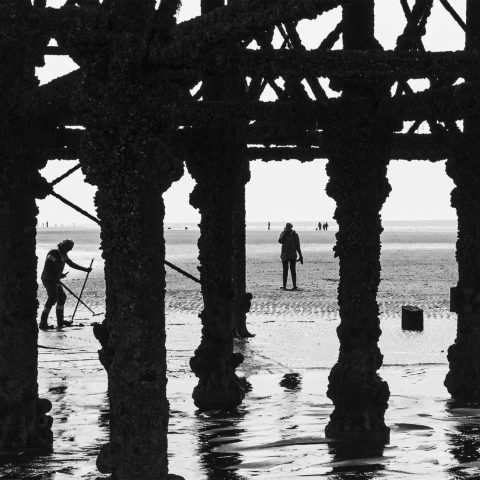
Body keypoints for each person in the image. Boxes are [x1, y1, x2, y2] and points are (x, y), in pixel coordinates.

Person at [39, 239, 92, 330]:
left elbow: (71, 264)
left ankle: (60, 321)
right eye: (69, 248)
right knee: (52, 298)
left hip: (55, 279)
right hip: (48, 279)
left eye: (71, 248)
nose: (70, 250)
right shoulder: (54, 253)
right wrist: (56, 275)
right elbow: (48, 266)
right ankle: (43, 322)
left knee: (62, 297)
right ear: (64, 246)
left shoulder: (63, 255)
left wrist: (85, 269)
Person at [278, 223, 303, 290]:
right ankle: (284, 285)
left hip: (292, 255)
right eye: (287, 227)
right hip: (284, 255)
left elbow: (298, 246)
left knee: (292, 270)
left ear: (291, 227)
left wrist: (301, 256)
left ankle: (294, 286)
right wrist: (284, 234)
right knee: (285, 270)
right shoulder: (283, 233)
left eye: (289, 227)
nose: (288, 228)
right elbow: (280, 241)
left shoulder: (295, 235)